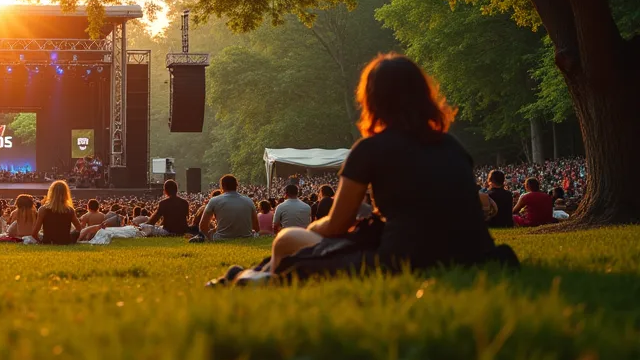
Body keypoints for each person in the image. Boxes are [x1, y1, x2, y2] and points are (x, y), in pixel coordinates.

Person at [264, 54, 512, 277]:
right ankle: (264, 276)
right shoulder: (452, 145)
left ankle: (268, 280)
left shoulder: (369, 149)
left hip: (404, 260)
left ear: (372, 99)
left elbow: (336, 225)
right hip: (471, 254)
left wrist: (313, 227)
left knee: (288, 239)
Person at [195, 175, 258, 241]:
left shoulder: (214, 200)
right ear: (237, 186)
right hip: (246, 238)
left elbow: (202, 226)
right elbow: (256, 227)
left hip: (221, 238)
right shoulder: (249, 201)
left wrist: (210, 237)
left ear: (222, 186)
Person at [37, 180, 82, 245]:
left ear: (51, 192)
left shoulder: (43, 210)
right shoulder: (70, 210)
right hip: (65, 241)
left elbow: (34, 233)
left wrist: (41, 241)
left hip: (48, 241)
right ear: (66, 193)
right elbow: (79, 228)